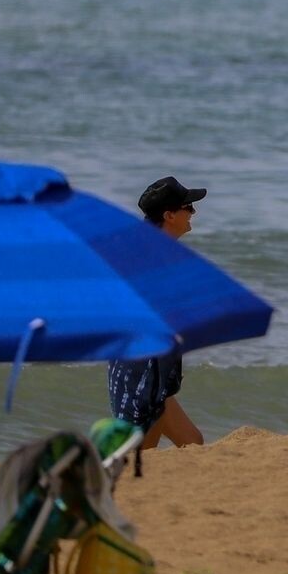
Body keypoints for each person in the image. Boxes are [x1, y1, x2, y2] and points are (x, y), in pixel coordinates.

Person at [106, 176, 208, 448]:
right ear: (169, 215)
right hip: (141, 372)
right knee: (142, 452)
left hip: (152, 372)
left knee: (191, 442)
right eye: (188, 207)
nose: (193, 212)